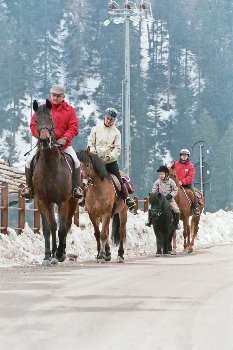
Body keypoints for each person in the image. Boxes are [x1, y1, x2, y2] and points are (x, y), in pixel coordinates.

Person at [21, 85, 83, 200]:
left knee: (76, 161)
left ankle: (76, 188)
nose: (55, 98)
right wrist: (40, 136)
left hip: (64, 145)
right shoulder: (42, 109)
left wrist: (65, 138)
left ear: (63, 96)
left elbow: (74, 127)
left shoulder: (70, 110)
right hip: (44, 144)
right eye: (53, 95)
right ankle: (29, 187)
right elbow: (33, 125)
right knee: (29, 160)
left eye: (58, 96)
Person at [87, 107, 135, 210]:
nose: (109, 121)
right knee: (86, 175)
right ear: (104, 117)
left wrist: (109, 157)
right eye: (108, 118)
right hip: (96, 160)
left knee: (118, 179)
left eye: (112, 120)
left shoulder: (117, 133)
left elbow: (117, 149)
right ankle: (82, 197)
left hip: (110, 161)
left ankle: (127, 199)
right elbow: (90, 144)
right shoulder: (95, 129)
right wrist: (95, 155)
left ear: (114, 120)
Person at [146, 165, 181, 229]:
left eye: (162, 174)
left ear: (166, 174)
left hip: (169, 200)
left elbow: (175, 190)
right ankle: (149, 221)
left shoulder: (171, 182)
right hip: (159, 200)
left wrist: (170, 195)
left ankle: (177, 223)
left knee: (176, 209)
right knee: (150, 208)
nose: (161, 176)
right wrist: (156, 195)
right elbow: (154, 190)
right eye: (160, 174)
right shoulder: (157, 182)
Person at [174, 148, 200, 216]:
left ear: (188, 156)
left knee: (193, 193)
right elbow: (172, 173)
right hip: (176, 184)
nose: (184, 156)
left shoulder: (191, 166)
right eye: (183, 155)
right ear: (180, 155)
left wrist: (182, 182)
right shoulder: (175, 164)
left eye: (186, 155)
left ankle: (195, 208)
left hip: (187, 184)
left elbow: (190, 177)